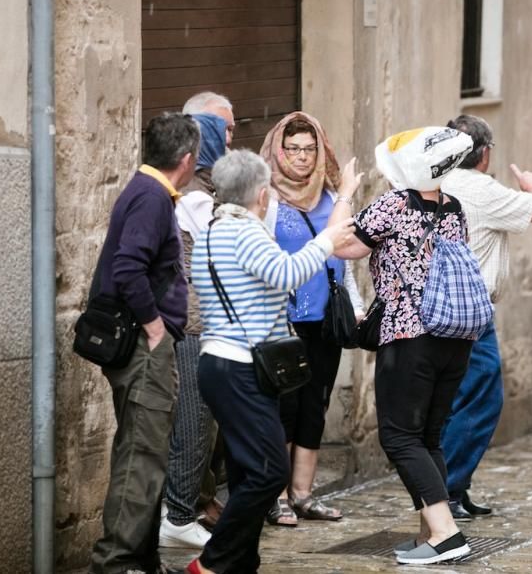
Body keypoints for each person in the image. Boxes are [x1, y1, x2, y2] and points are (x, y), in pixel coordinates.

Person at [185, 150, 354, 574]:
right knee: (268, 471)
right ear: (262, 194)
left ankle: (241, 563)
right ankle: (210, 563)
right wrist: (327, 240)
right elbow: (287, 273)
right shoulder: (245, 232)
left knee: (246, 470)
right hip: (241, 367)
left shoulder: (212, 231)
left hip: (222, 365)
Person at [331, 126, 477, 565]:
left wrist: (344, 194)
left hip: (410, 337)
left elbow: (340, 246)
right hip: (455, 338)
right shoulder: (454, 208)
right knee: (427, 436)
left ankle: (448, 532)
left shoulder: (395, 205)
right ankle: (431, 532)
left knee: (398, 437)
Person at [89, 112, 199, 574]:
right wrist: (155, 326)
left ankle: (142, 559)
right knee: (142, 454)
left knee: (143, 450)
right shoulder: (152, 197)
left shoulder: (148, 190)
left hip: (141, 345)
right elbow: (128, 267)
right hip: (142, 347)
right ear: (188, 159)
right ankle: (116, 563)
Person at [438, 115, 532, 521]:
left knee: (452, 400)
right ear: (485, 155)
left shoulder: (432, 182)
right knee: (483, 398)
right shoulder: (481, 190)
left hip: (435, 309)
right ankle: (446, 490)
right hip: (471, 312)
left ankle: (454, 487)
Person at [259, 111, 364, 527]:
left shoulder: (332, 197)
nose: (302, 158)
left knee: (314, 406)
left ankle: (304, 493)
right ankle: (277, 495)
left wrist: (354, 304)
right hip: (283, 320)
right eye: (293, 149)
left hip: (325, 320)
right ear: (279, 151)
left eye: (309, 149)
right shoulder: (266, 198)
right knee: (284, 404)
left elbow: (344, 260)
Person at [160, 94, 236, 549]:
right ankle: (179, 514)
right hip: (192, 326)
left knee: (201, 423)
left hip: (198, 324)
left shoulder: (203, 194)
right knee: (194, 422)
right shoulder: (195, 200)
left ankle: (184, 511)